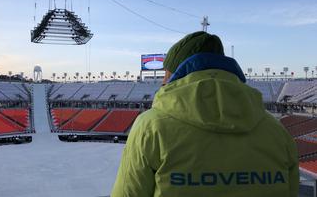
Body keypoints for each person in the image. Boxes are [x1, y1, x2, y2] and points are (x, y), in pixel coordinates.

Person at [111, 31, 298, 197]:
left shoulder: (150, 127)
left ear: (177, 73)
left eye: (166, 74)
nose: (163, 81)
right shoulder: (277, 132)